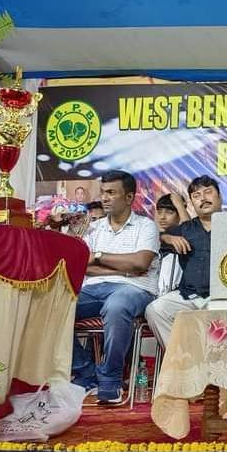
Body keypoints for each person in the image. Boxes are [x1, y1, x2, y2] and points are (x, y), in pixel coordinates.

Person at [72, 170, 160, 403]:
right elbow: (84, 266)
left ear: (129, 197)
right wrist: (123, 268)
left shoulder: (146, 226)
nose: (105, 198)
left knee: (116, 306)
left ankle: (110, 380)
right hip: (94, 288)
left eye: (111, 192)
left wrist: (99, 256)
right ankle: (85, 371)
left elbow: (140, 263)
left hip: (135, 289)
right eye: (103, 192)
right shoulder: (93, 228)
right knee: (55, 306)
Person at [145, 176, 222, 348]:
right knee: (155, 310)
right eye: (196, 196)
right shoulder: (185, 229)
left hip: (222, 298)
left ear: (220, 197)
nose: (203, 198)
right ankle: (181, 357)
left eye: (208, 192)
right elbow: (157, 237)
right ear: (192, 203)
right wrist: (168, 238)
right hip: (188, 296)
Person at [154, 193, 190, 296]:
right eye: (159, 212)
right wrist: (165, 238)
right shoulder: (153, 233)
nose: (162, 217)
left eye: (169, 212)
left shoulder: (186, 232)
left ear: (179, 213)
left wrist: (180, 206)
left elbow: (190, 232)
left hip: (176, 292)